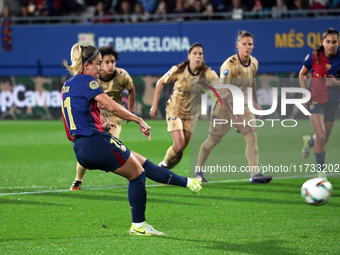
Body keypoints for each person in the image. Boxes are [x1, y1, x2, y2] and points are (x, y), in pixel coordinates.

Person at [62, 43, 202, 236]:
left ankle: (189, 183)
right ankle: (139, 225)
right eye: (98, 64)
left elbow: (72, 117)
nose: (101, 68)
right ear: (86, 66)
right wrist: (138, 119)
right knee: (137, 174)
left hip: (80, 147)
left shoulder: (67, 84)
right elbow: (111, 106)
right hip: (95, 143)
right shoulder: (88, 81)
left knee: (141, 162)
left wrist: (98, 126)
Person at [196, 31, 272, 183]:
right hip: (224, 107)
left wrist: (256, 103)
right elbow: (223, 94)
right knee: (213, 140)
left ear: (253, 46)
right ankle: (198, 170)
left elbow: (252, 81)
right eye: (244, 44)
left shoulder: (254, 63)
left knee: (251, 135)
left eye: (250, 44)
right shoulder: (229, 66)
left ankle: (255, 174)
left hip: (242, 104)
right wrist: (233, 116)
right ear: (238, 46)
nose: (247, 47)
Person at [70, 45, 136, 191]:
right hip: (95, 116)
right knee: (89, 146)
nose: (110, 65)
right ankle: (78, 179)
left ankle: (132, 171)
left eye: (113, 61)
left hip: (114, 118)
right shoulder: (92, 78)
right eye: (105, 62)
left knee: (112, 142)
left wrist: (131, 110)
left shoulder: (122, 76)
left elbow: (131, 88)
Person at [150, 42, 218, 171]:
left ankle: (165, 172)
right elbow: (160, 82)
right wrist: (154, 106)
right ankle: (162, 166)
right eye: (195, 54)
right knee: (179, 144)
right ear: (189, 56)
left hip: (192, 115)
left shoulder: (208, 74)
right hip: (175, 111)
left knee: (180, 150)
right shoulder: (179, 70)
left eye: (200, 54)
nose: (198, 57)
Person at [300, 27, 340, 178]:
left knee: (324, 139)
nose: (331, 45)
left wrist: (336, 83)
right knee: (321, 136)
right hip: (315, 99)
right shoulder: (314, 56)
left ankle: (309, 143)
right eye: (328, 41)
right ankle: (321, 174)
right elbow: (302, 74)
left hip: (333, 101)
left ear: (338, 42)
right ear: (323, 42)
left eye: (334, 42)